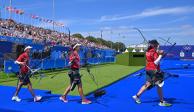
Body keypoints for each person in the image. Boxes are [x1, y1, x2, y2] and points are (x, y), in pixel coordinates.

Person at [132, 40, 172, 106]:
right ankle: (162, 102)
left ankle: (137, 96)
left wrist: (159, 53)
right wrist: (160, 55)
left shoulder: (148, 51)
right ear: (155, 45)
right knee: (159, 85)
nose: (159, 45)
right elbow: (155, 62)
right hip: (154, 70)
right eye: (158, 44)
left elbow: (152, 58)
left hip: (148, 69)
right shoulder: (154, 52)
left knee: (147, 84)